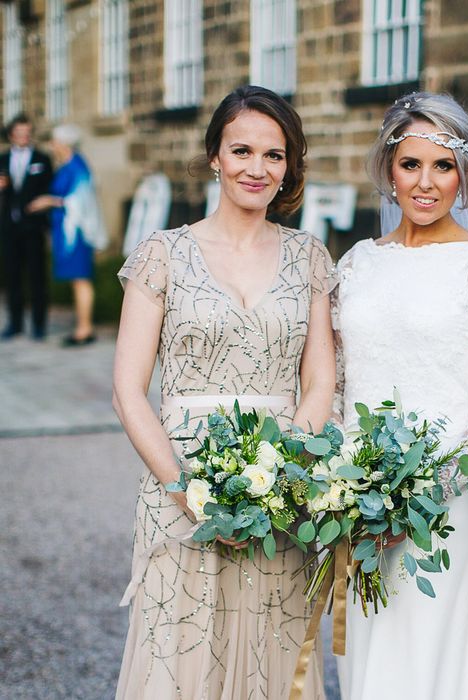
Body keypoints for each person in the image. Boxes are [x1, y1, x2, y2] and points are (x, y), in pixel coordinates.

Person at [112, 85, 336, 699]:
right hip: (179, 481)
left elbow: (319, 382)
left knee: (272, 657)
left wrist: (285, 475)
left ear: (289, 165)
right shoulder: (164, 254)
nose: (257, 168)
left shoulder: (309, 257)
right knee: (178, 658)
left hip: (280, 495)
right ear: (215, 155)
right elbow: (129, 392)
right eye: (242, 150)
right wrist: (183, 488)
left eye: (274, 155)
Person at [333, 92, 468, 700]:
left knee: (431, 660)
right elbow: (336, 385)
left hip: (444, 501)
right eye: (411, 163)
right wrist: (349, 485)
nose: (425, 182)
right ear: (389, 169)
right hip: (358, 500)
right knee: (368, 653)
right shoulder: (357, 263)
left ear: (463, 176)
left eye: (443, 166)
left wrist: (413, 498)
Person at [27, 124, 102, 345]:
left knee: (81, 279)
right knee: (76, 280)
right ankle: (82, 325)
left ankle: (84, 328)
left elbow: (81, 201)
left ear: (63, 144)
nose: (52, 146)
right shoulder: (67, 166)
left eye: (54, 142)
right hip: (66, 230)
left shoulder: (77, 167)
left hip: (76, 233)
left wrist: (48, 201)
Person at [0, 114, 53, 340]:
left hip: (33, 227)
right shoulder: (2, 159)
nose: (23, 136)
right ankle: (15, 323)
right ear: (12, 134)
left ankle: (39, 325)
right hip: (9, 226)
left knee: (37, 276)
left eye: (27, 132)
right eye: (19, 132)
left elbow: (51, 188)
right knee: (12, 276)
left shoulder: (42, 158)